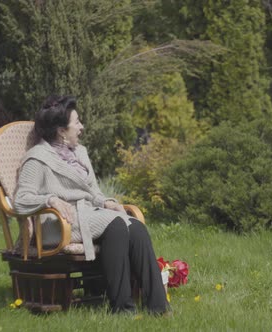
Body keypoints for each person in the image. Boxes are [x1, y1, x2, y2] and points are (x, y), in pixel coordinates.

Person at [13, 95, 169, 314]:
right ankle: (122, 308)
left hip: (88, 214)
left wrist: (106, 201)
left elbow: (93, 192)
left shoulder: (81, 153)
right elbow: (20, 200)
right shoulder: (37, 158)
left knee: (136, 228)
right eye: (76, 122)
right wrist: (50, 199)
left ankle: (159, 307)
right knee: (116, 225)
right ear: (61, 130)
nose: (81, 127)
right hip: (59, 222)